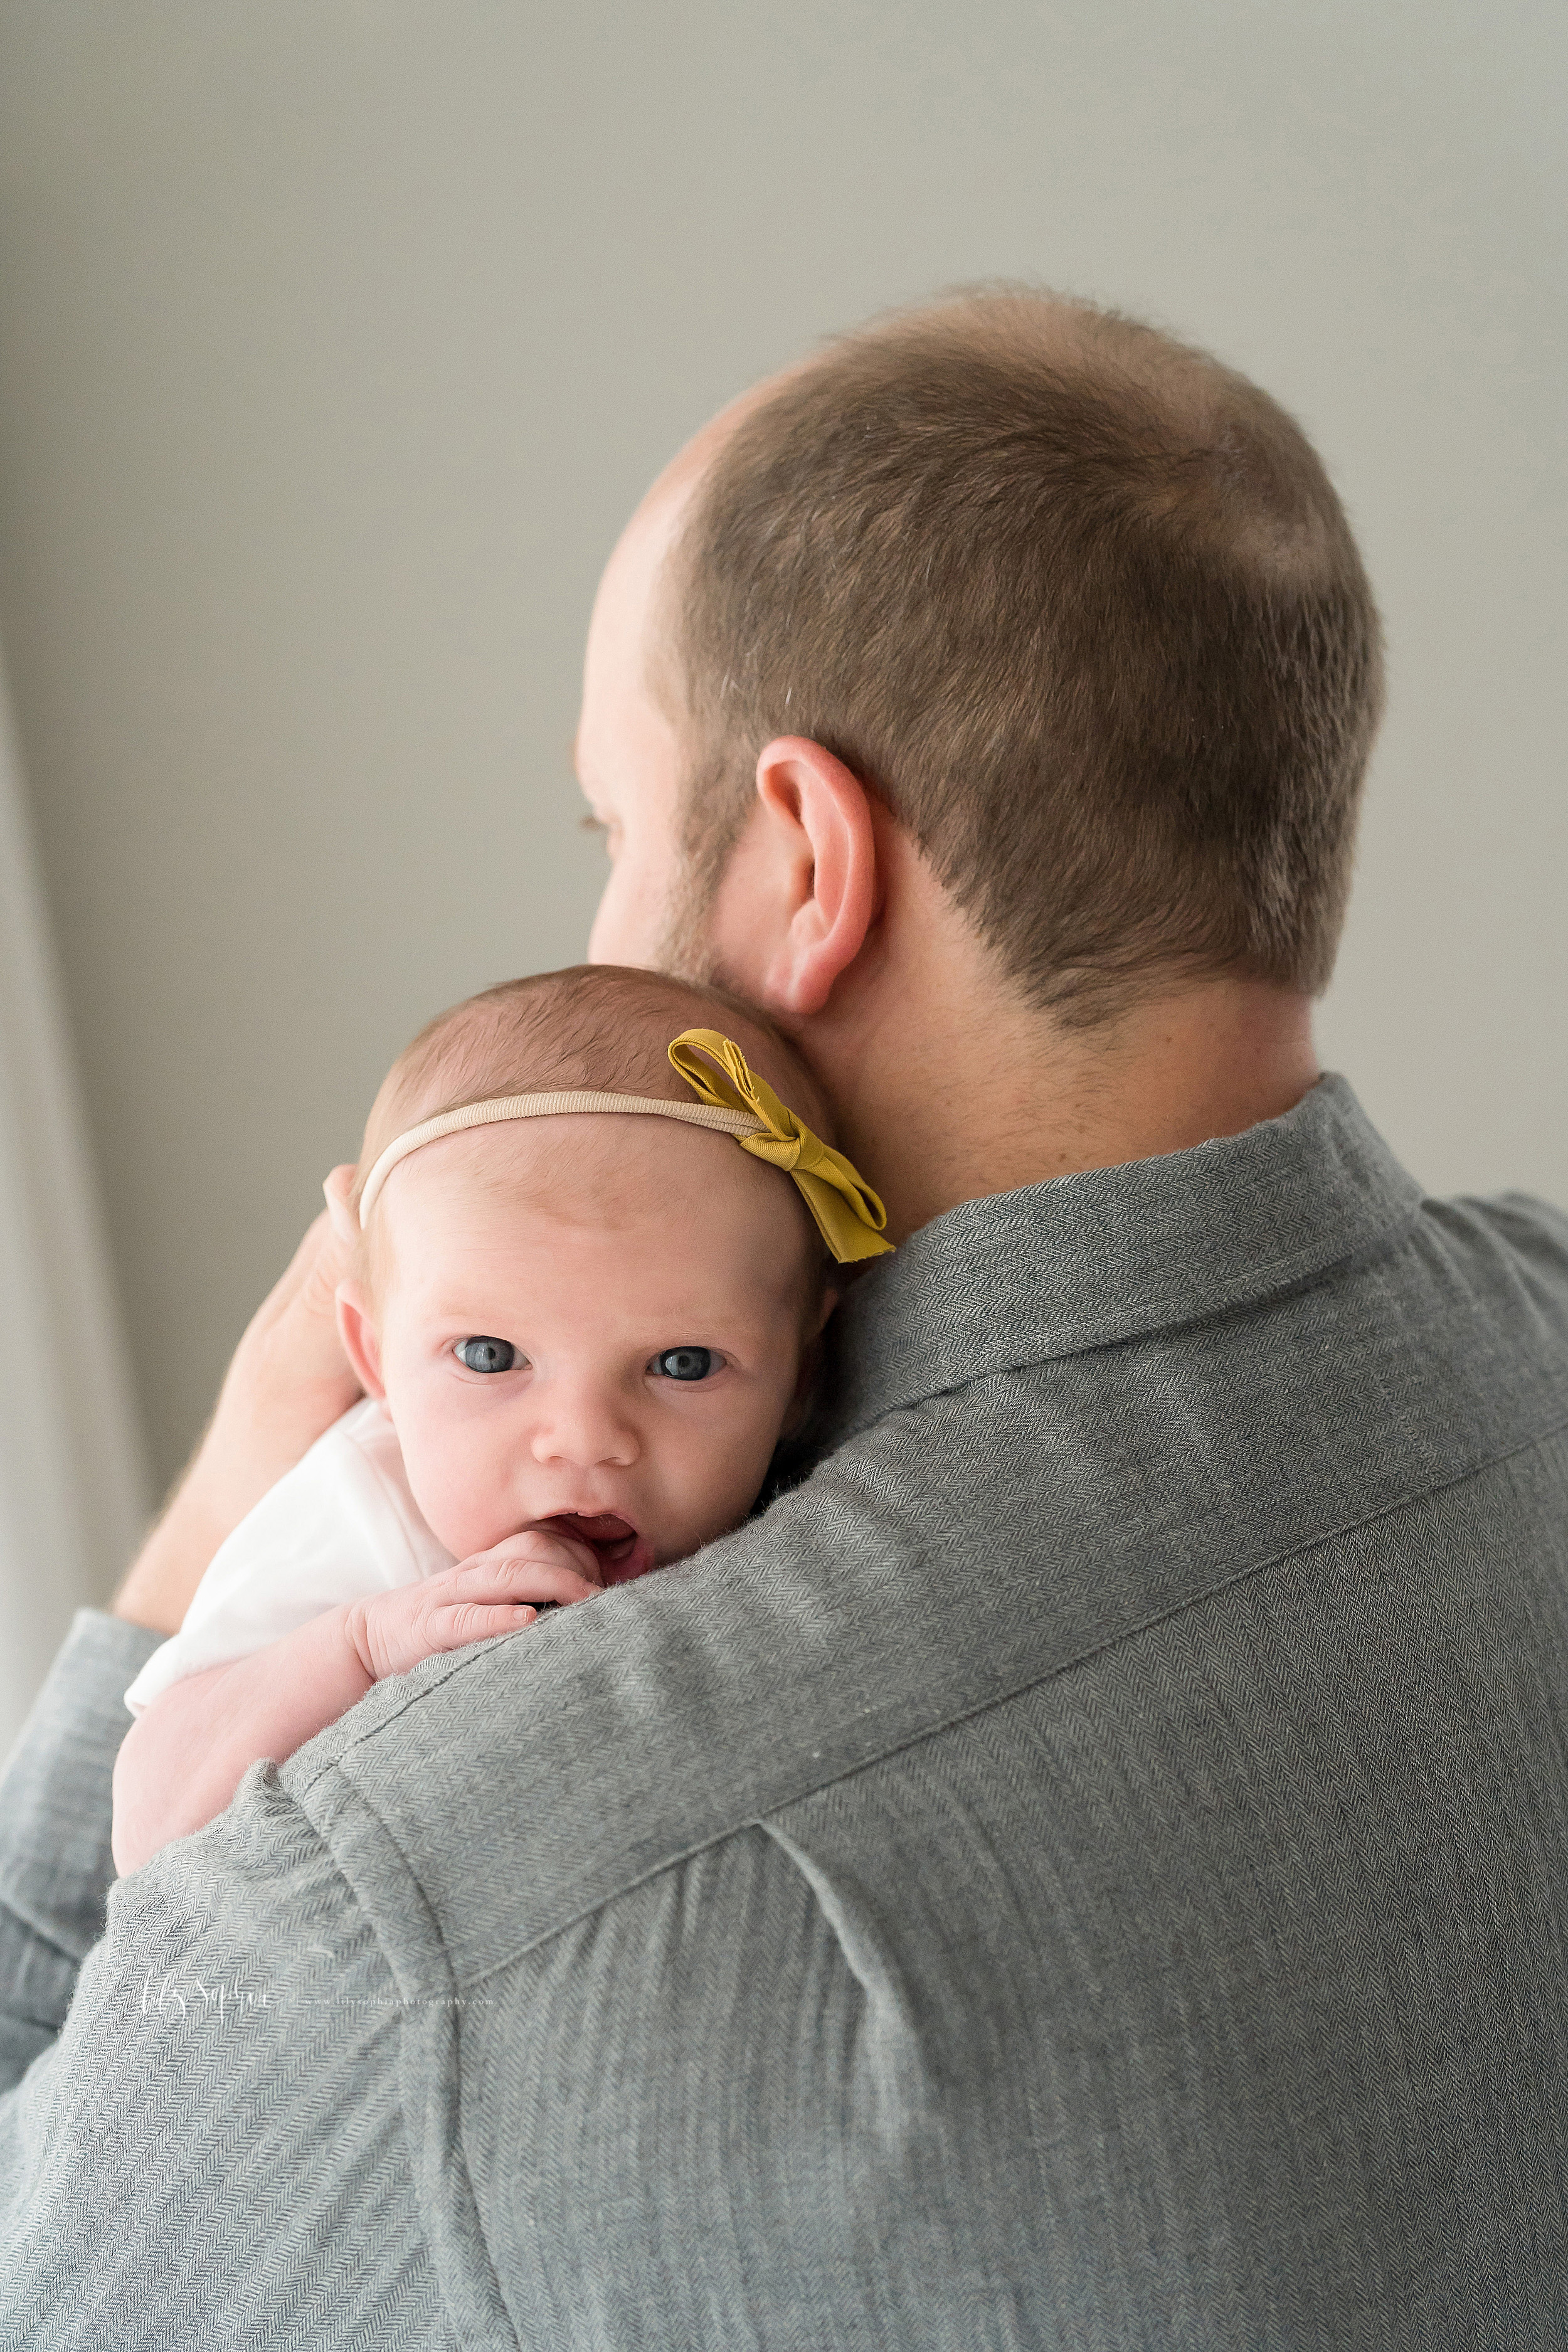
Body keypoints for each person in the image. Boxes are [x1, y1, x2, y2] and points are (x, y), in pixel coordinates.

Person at [4, 286, 1567, 2346]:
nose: (594, 918)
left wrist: (223, 1513)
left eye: (619, 830)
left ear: (806, 862)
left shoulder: (414, 1906)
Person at [110, 967, 883, 1877]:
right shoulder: (368, 1507)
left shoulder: (814, 1506)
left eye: (682, 1364)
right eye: (489, 1355)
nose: (584, 1437)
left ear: (802, 1372)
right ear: (375, 1355)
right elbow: (148, 1820)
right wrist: (361, 1645)